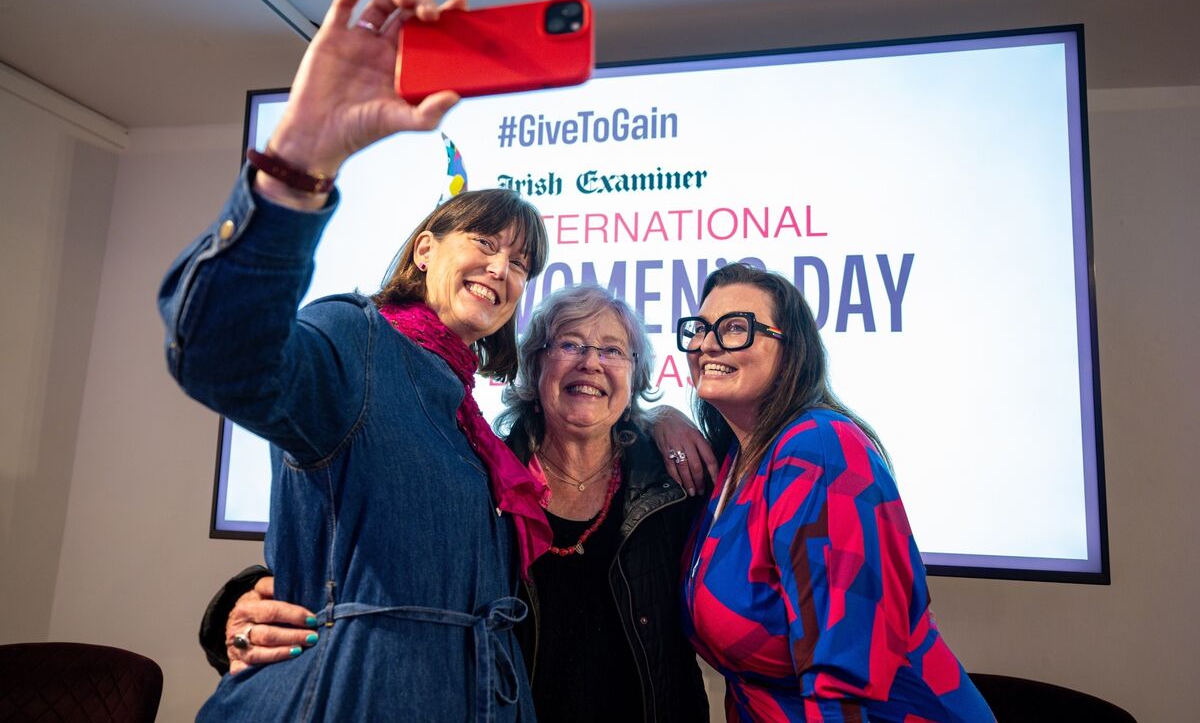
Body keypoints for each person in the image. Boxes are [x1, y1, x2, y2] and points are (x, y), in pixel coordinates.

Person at [160, 0, 556, 721]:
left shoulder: (468, 410)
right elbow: (218, 353)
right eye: (486, 243)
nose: (505, 269)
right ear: (424, 252)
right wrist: (296, 162)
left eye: (523, 263)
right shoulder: (355, 337)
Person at [200, 285, 713, 722]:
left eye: (613, 350)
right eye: (570, 344)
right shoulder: (474, 468)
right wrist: (236, 604)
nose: (591, 362)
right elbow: (360, 540)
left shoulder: (673, 479)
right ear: (534, 369)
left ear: (636, 375)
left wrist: (668, 415)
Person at [677, 262, 994, 722]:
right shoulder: (736, 460)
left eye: (734, 329)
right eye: (701, 329)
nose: (707, 344)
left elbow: (844, 679)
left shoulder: (819, 450)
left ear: (791, 349)